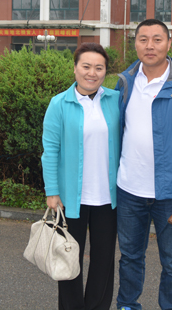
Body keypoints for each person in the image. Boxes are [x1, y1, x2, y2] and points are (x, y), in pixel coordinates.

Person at [115, 19, 172, 310]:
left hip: (171, 193)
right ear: (135, 44)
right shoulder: (125, 82)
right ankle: (127, 305)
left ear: (169, 43)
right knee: (130, 257)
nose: (150, 46)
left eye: (157, 39)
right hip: (129, 190)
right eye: (143, 39)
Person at [41, 43, 121, 310]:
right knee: (69, 260)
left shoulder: (114, 100)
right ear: (75, 68)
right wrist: (52, 191)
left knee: (103, 261)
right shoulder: (59, 103)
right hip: (70, 199)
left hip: (107, 198)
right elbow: (50, 151)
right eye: (86, 66)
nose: (92, 73)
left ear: (106, 71)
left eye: (99, 68)